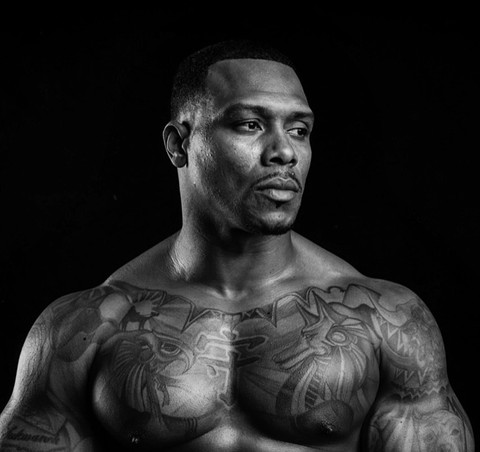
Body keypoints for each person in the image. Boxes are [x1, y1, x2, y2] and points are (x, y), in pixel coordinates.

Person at [0, 39, 474, 452]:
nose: (284, 152)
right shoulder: (84, 328)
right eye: (250, 124)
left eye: (299, 130)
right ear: (178, 144)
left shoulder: (386, 321)